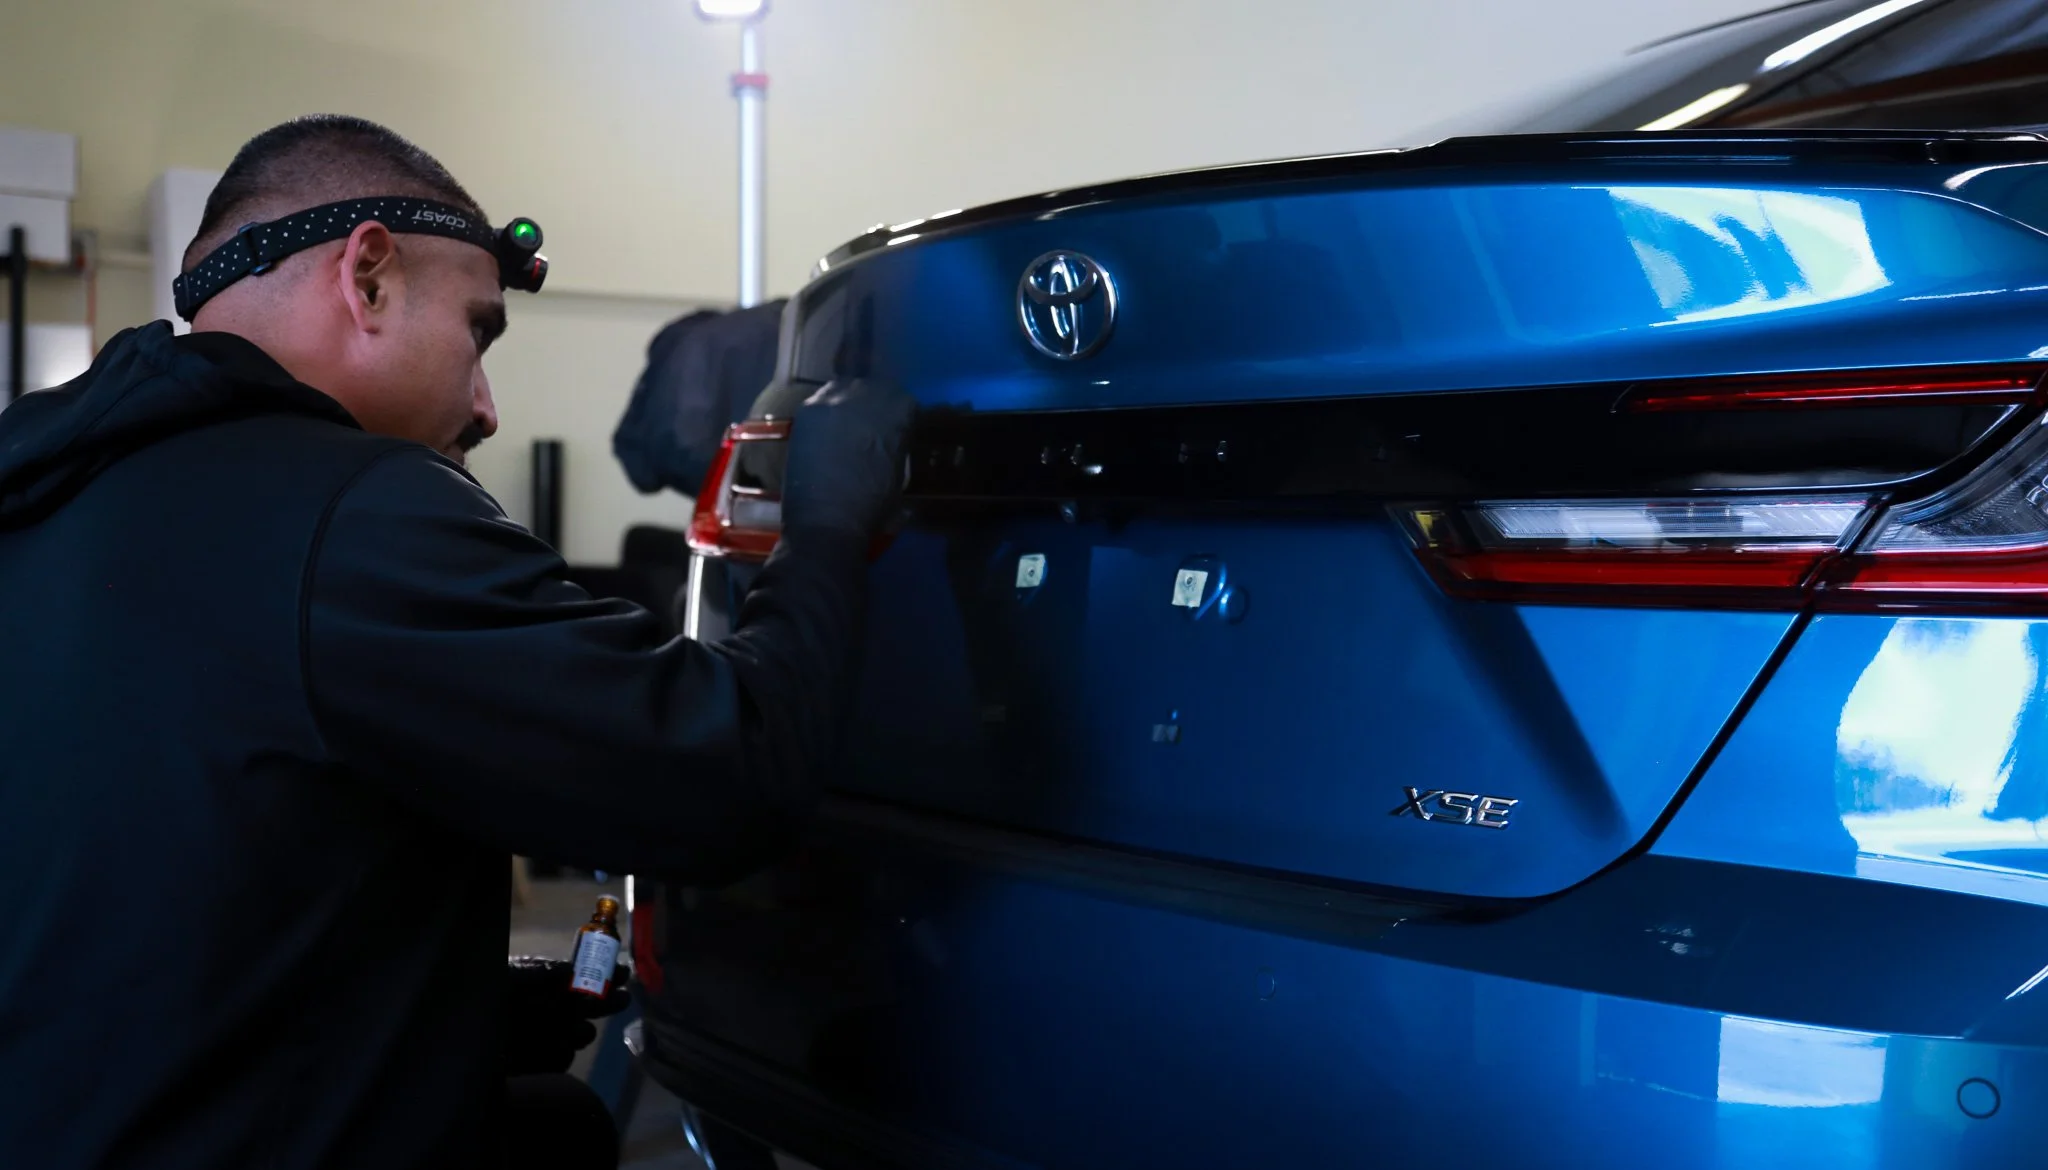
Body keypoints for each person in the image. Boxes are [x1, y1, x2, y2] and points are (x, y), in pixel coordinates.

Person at [0, 115, 913, 1168]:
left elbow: (148, 877)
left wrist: (445, 997)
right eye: (478, 333)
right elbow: (725, 772)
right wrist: (831, 525)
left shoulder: (55, 490)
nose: (483, 406)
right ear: (370, 276)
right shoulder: (353, 509)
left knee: (554, 1126)